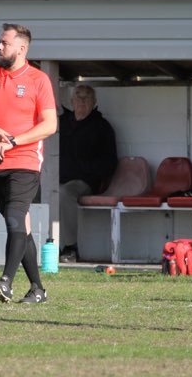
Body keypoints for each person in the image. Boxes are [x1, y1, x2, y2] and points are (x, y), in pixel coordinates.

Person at [0, 23, 57, 303]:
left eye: (4, 43)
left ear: (21, 48)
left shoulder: (38, 79)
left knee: (15, 219)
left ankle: (6, 281)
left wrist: (14, 140)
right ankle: (38, 289)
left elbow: (50, 125)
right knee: (20, 227)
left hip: (25, 163)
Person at [59, 85, 117, 262]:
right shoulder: (60, 123)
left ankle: (70, 248)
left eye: (87, 97)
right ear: (71, 101)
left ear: (94, 102)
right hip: (57, 178)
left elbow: (110, 163)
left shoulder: (102, 127)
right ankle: (29, 244)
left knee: (64, 193)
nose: (82, 101)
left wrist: (85, 170)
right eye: (78, 96)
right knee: (29, 190)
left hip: (84, 181)